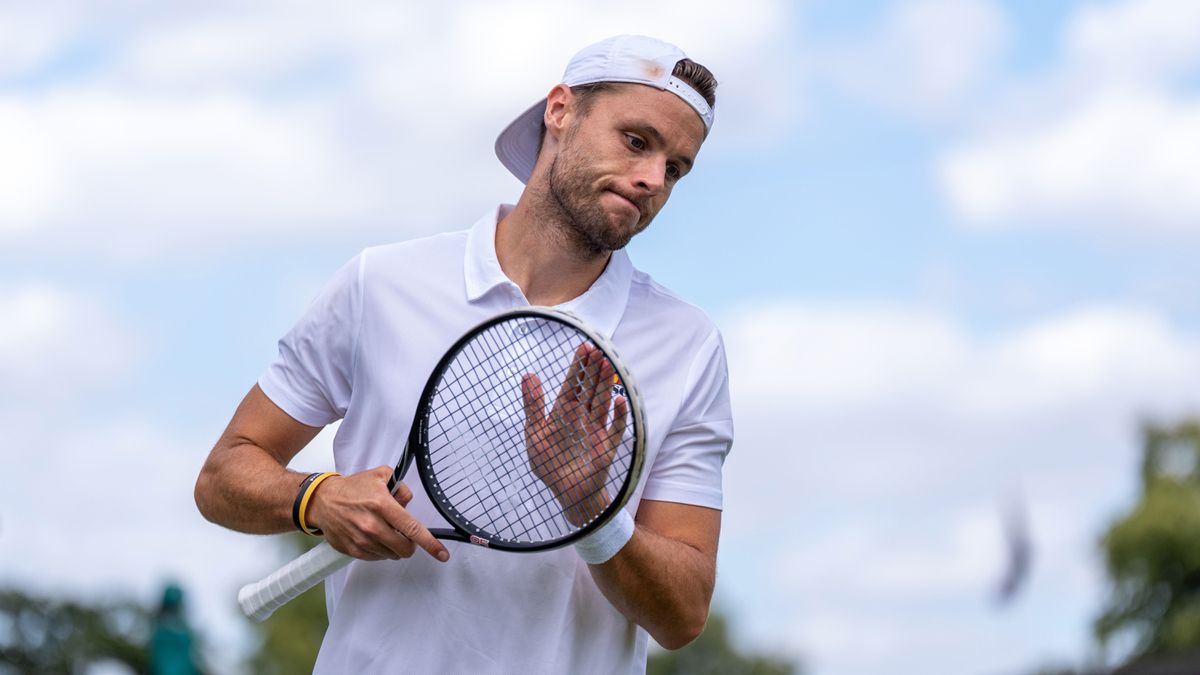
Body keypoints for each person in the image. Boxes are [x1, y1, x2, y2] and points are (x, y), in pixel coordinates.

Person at [195, 34, 733, 673]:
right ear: (560, 111)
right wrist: (317, 499)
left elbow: (684, 615)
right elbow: (223, 476)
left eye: (675, 168)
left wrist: (596, 513)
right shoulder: (380, 283)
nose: (651, 179)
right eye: (637, 141)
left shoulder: (689, 344)